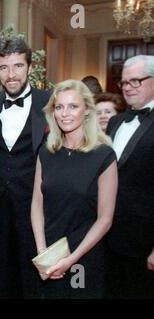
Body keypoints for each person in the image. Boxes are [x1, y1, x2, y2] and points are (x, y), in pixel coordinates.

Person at [30, 79, 118, 298]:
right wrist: (42, 252)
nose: (65, 113)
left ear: (87, 110)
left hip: (84, 255)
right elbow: (37, 204)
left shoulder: (103, 155)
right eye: (59, 107)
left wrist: (71, 259)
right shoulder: (46, 151)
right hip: (50, 254)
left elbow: (105, 219)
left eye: (73, 106)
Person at [0, 37, 51, 299]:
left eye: (18, 66)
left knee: (32, 275)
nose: (11, 75)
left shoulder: (50, 102)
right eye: (3, 67)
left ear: (30, 67)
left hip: (36, 206)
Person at [105, 55, 154, 299]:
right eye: (124, 83)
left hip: (144, 243)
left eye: (136, 81)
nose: (128, 88)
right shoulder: (115, 122)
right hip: (109, 237)